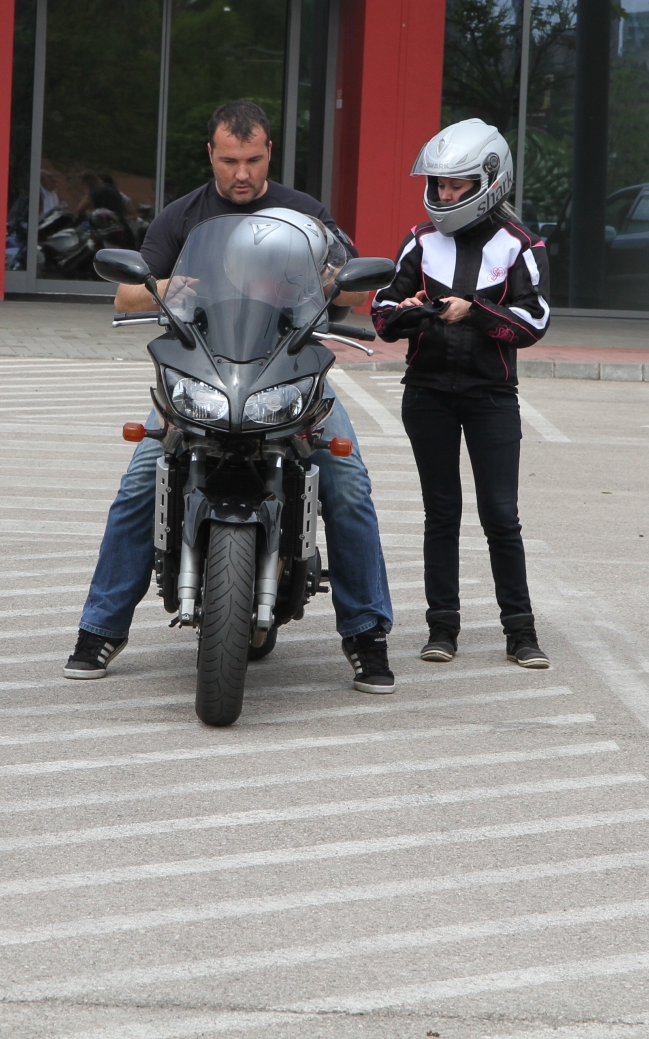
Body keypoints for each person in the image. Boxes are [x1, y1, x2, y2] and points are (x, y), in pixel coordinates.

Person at [63, 99, 399, 693]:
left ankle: (367, 635)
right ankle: (100, 628)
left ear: (269, 152)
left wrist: (331, 281)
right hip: (201, 378)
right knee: (140, 481)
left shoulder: (306, 214)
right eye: (228, 161)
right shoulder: (182, 217)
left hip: (288, 375)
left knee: (348, 483)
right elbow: (126, 297)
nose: (241, 173)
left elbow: (352, 293)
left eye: (252, 159)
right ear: (210, 156)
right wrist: (169, 285)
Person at [372, 119, 554, 668]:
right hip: (426, 393)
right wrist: (409, 313)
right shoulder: (419, 239)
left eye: (458, 185)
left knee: (500, 515)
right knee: (441, 513)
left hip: (490, 396)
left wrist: (474, 311)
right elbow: (382, 312)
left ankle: (521, 633)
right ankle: (442, 629)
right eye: (440, 185)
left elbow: (534, 322)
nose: (446, 195)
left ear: (490, 183)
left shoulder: (520, 244)